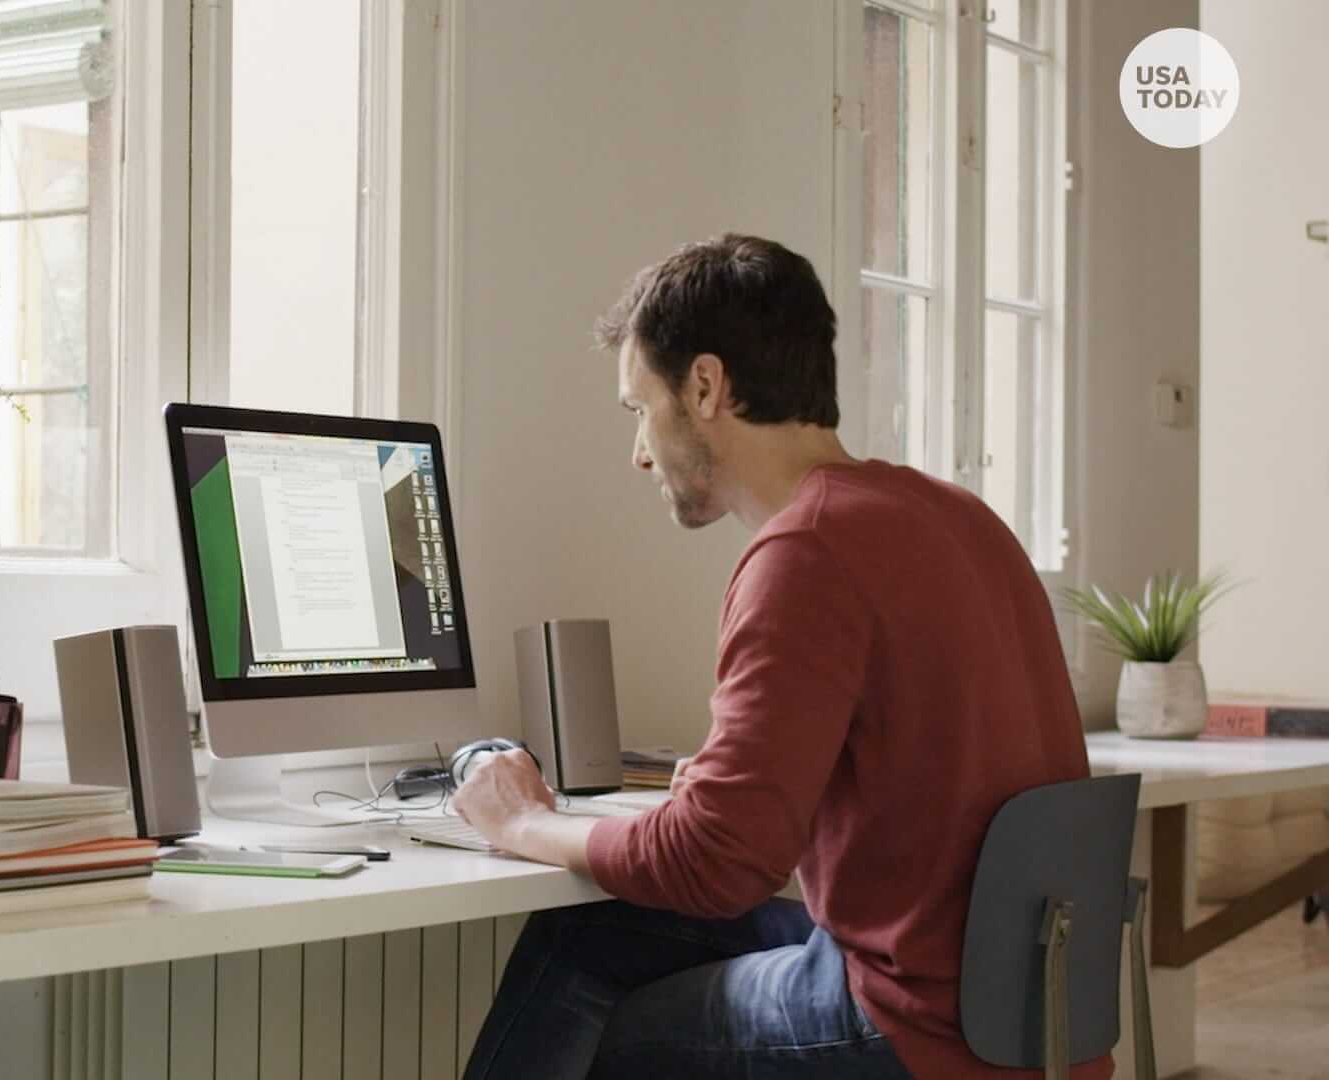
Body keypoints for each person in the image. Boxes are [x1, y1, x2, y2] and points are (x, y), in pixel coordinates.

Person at [451, 233, 1103, 1079]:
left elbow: (717, 866)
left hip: (920, 1028)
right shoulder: (958, 516)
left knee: (623, 1031)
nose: (640, 452)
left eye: (639, 410)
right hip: (1028, 1011)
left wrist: (522, 823)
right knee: (590, 934)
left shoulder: (808, 550)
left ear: (705, 386)